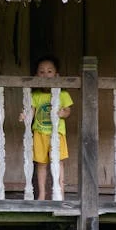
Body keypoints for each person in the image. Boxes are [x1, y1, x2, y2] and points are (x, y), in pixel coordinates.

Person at [19, 55, 74, 200]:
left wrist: (63, 113)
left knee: (58, 162)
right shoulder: (36, 95)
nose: (45, 75)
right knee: (41, 164)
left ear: (57, 75)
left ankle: (60, 192)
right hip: (39, 133)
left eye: (49, 71)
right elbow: (32, 111)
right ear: (36, 76)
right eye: (41, 72)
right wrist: (25, 116)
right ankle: (42, 194)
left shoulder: (63, 94)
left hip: (57, 134)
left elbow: (68, 111)